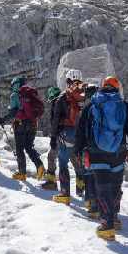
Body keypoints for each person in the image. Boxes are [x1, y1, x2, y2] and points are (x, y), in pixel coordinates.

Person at [75, 75, 128, 242]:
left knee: (102, 188)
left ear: (102, 86)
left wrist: (78, 150)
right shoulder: (123, 106)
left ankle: (107, 223)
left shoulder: (92, 105)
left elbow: (81, 130)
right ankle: (115, 217)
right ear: (117, 88)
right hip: (118, 153)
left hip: (97, 153)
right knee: (115, 186)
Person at [49, 73, 88, 205]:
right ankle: (81, 189)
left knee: (63, 162)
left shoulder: (62, 97)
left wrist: (53, 137)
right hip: (81, 135)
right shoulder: (84, 98)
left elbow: (55, 120)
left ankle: (65, 193)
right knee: (78, 162)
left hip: (66, 133)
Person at [0, 76, 45, 181]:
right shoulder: (31, 94)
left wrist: (3, 119)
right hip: (33, 124)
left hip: (20, 125)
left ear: (15, 84)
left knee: (19, 149)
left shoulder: (15, 95)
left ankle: (22, 173)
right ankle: (40, 166)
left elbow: (13, 113)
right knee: (29, 147)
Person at [40, 86, 62, 190]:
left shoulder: (56, 104)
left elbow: (55, 122)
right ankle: (81, 185)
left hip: (59, 135)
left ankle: (51, 182)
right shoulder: (65, 101)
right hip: (70, 134)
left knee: (51, 157)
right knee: (73, 158)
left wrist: (53, 137)